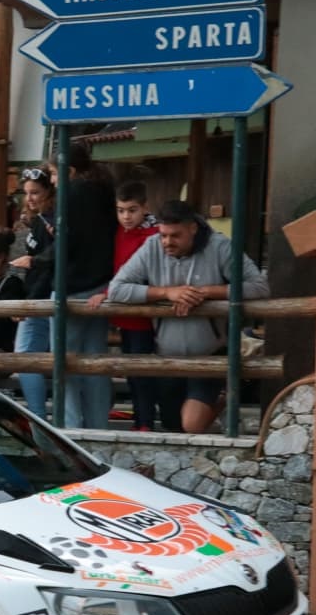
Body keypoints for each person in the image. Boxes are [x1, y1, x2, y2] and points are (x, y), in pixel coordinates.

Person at [100, 199, 270, 434]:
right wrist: (167, 293)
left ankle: (224, 398)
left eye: (175, 235)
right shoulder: (151, 247)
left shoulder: (220, 246)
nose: (167, 242)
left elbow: (259, 287)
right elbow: (117, 289)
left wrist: (205, 292)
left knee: (191, 425)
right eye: (163, 235)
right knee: (172, 424)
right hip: (167, 355)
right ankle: (218, 403)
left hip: (209, 354)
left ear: (193, 228)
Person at [46, 143, 119, 430]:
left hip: (72, 284)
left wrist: (37, 260)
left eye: (54, 174)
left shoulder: (70, 194)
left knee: (64, 365)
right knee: (96, 363)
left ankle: (70, 428)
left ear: (70, 171)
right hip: (100, 283)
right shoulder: (104, 189)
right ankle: (99, 426)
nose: (53, 181)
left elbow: (66, 242)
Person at [103, 180, 160, 430]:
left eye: (132, 210)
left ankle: (145, 421)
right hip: (125, 313)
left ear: (145, 208)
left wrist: (107, 293)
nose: (126, 216)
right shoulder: (118, 232)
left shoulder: (154, 236)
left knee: (141, 371)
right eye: (121, 210)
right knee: (132, 371)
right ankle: (141, 420)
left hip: (144, 314)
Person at [8, 166, 56, 418]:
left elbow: (47, 267)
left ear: (49, 191)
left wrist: (28, 301)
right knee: (30, 358)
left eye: (35, 192)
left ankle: (38, 417)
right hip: (37, 296)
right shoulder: (39, 221)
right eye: (26, 193)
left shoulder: (51, 222)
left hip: (42, 298)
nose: (30, 198)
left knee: (25, 357)